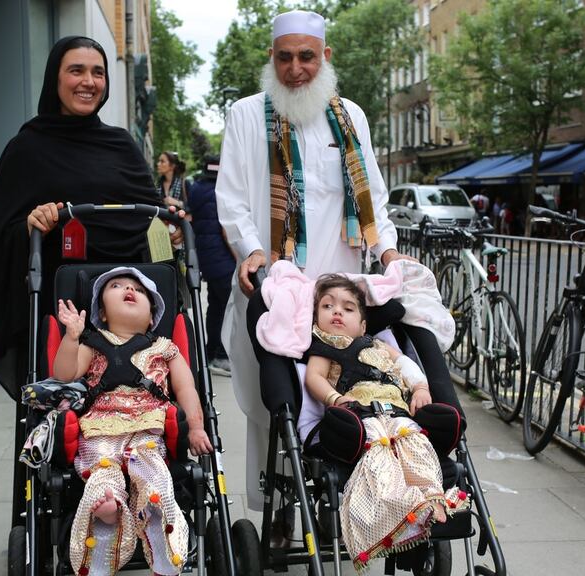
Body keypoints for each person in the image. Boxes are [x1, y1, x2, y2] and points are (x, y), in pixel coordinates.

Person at [215, 9, 414, 511]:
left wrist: (389, 251)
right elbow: (233, 199)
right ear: (272, 59)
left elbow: (375, 201)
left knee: (348, 390)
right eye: (285, 58)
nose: (296, 68)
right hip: (275, 288)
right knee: (274, 406)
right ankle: (279, 511)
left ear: (325, 57)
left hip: (339, 295)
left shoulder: (351, 117)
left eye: (307, 56)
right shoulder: (245, 115)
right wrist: (252, 250)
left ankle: (350, 501)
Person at [0, 36, 164, 526]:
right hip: (57, 307)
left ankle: (140, 495)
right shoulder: (28, 147)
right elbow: (0, 232)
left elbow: (143, 213)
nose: (88, 82)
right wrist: (32, 223)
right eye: (76, 71)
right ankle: (55, 516)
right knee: (62, 409)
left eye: (97, 72)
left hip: (120, 303)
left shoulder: (120, 143)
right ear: (56, 78)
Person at [52, 267, 212, 576]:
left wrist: (195, 426)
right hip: (101, 426)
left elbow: (187, 389)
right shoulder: (92, 343)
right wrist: (71, 337)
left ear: (152, 316)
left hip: (148, 429)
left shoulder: (164, 349)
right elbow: (64, 375)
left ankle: (154, 511)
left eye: (139, 290)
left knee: (154, 475)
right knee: (102, 469)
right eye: (117, 286)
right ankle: (106, 509)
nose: (129, 290)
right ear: (101, 311)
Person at [304, 274, 466, 570]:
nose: (337, 311)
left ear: (363, 325)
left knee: (417, 449)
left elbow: (406, 364)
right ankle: (401, 510)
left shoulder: (378, 345)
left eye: (348, 308)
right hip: (362, 415)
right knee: (380, 457)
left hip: (399, 412)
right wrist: (332, 398)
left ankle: (430, 499)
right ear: (316, 319)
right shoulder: (325, 348)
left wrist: (420, 388)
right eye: (328, 306)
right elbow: (313, 377)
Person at [186, 155, 235, 376]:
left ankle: (210, 352)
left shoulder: (195, 189)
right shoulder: (221, 192)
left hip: (207, 257)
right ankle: (222, 356)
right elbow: (226, 230)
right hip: (223, 257)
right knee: (226, 309)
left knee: (215, 307)